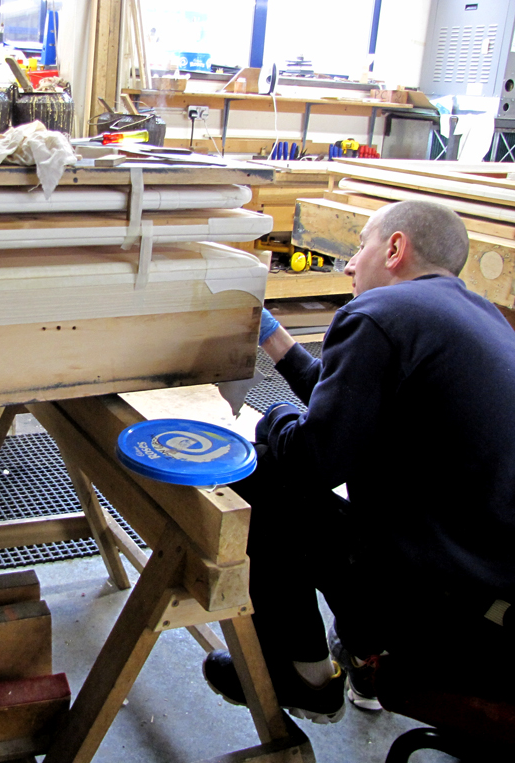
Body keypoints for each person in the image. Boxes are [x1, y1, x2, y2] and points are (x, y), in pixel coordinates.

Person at [203, 200, 515, 723]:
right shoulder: (479, 318)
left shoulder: (379, 314)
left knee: (260, 472)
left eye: (360, 246)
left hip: (448, 620)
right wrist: (272, 336)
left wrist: (271, 415)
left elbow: (314, 461)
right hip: (494, 610)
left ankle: (302, 674)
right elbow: (349, 406)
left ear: (394, 249)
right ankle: (345, 649)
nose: (348, 265)